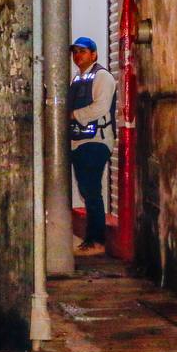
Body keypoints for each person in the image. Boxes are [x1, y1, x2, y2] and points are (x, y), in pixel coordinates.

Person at [68, 36, 116, 256]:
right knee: (87, 190)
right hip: (79, 141)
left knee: (91, 190)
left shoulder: (102, 77)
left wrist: (75, 115)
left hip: (96, 141)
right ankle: (92, 239)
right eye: (75, 52)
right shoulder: (78, 79)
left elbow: (101, 107)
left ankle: (96, 240)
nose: (78, 56)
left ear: (94, 54)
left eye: (83, 51)